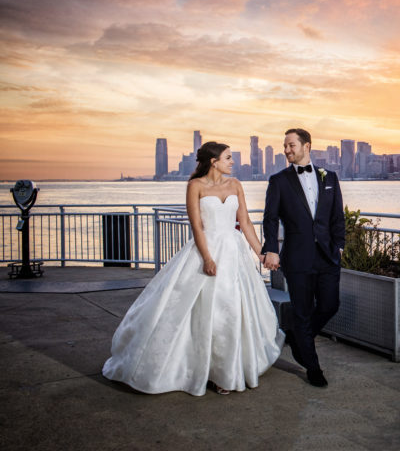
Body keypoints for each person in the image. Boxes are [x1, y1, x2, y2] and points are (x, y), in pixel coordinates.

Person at [102, 141, 284, 396]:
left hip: (234, 254)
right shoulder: (195, 186)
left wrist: (261, 253)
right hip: (205, 251)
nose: (233, 162)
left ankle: (226, 372)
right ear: (213, 161)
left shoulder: (235, 185)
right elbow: (197, 227)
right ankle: (202, 369)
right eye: (229, 157)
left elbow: (244, 223)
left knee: (231, 311)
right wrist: (208, 259)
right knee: (203, 311)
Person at [262, 128, 345, 388]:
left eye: (291, 145)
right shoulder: (279, 181)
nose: (286, 150)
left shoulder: (329, 177)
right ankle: (312, 366)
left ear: (306, 146)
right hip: (297, 257)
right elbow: (270, 218)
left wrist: (339, 246)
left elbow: (337, 216)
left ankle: (299, 336)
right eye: (284, 146)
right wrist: (271, 248)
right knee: (303, 310)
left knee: (330, 305)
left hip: (327, 256)